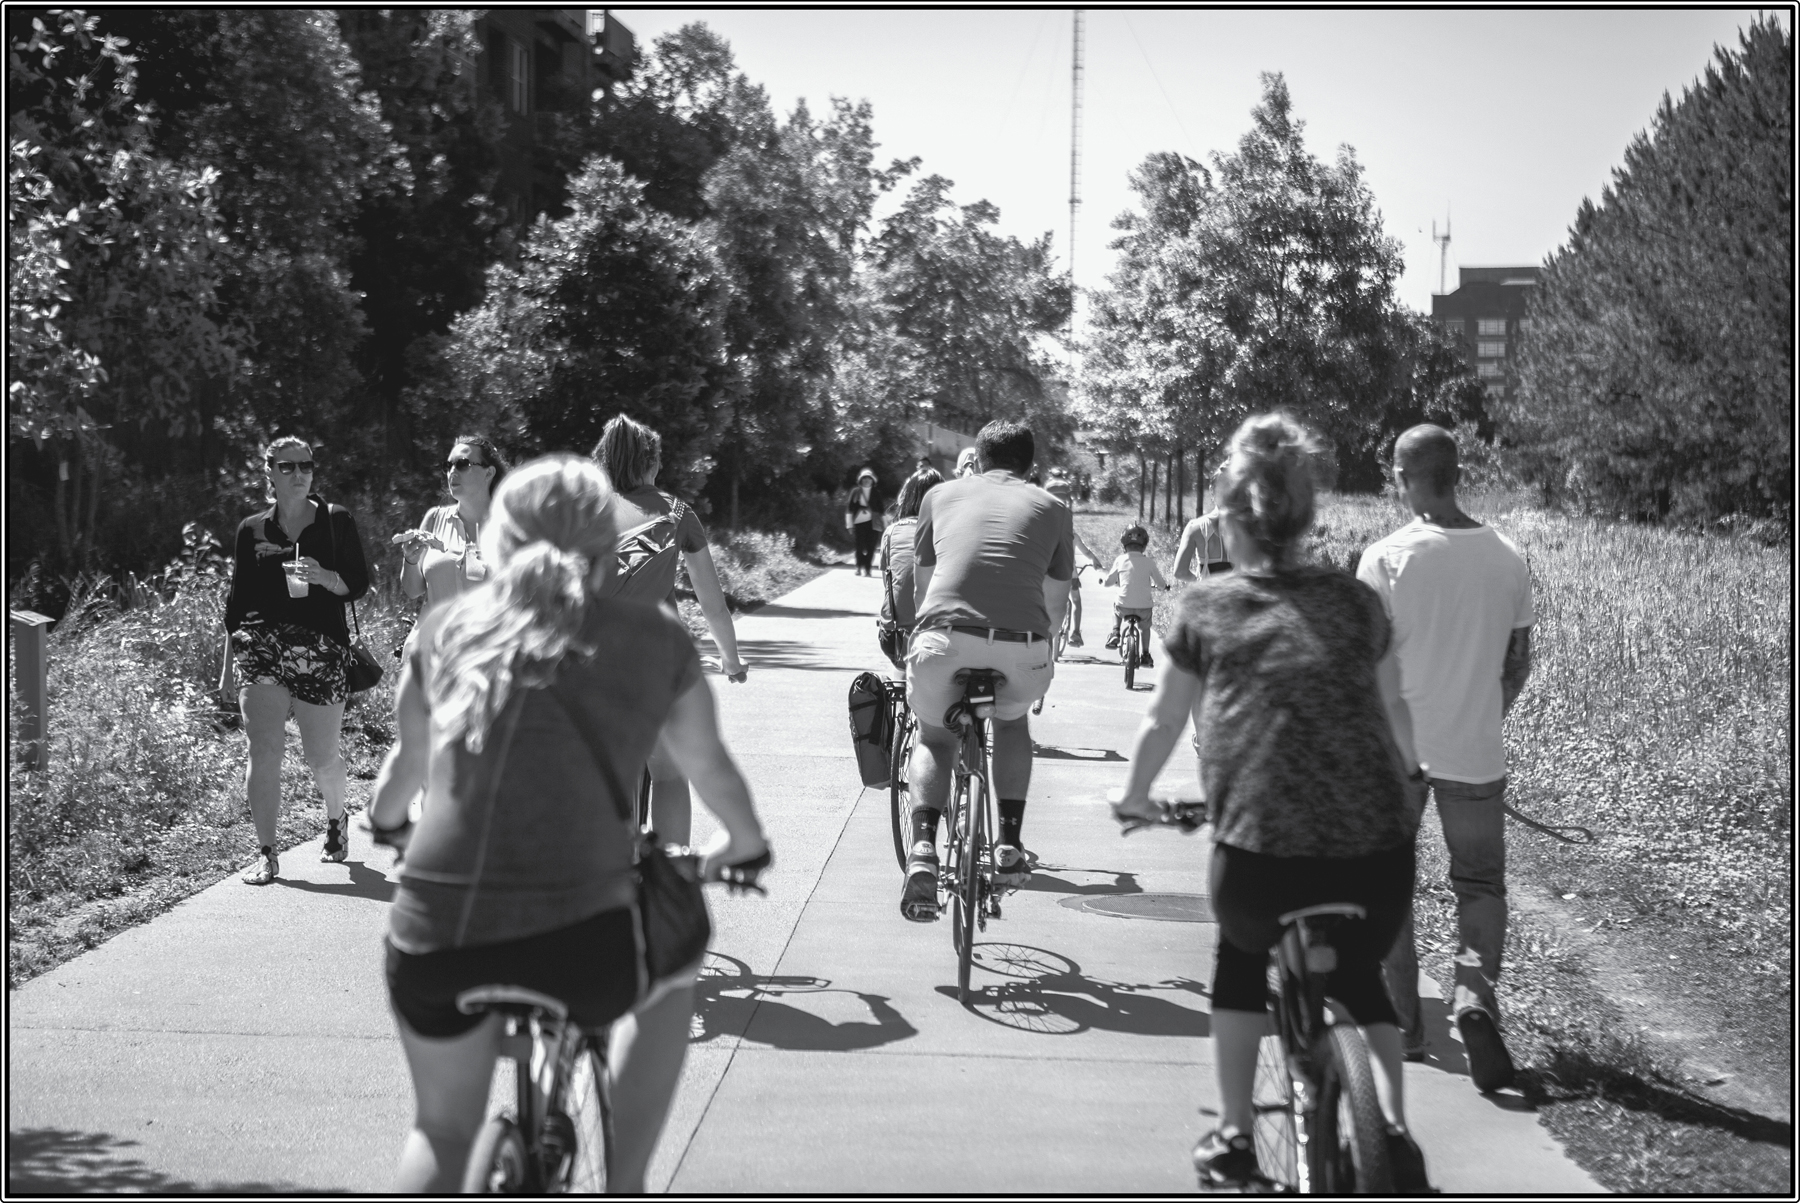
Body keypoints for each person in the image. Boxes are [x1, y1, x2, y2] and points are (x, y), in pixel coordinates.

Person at [364, 454, 769, 1194]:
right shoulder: (655, 639)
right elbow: (709, 769)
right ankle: (626, 1182)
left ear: (497, 543)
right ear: (607, 545)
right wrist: (741, 846)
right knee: (678, 960)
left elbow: (403, 771)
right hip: (586, 938)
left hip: (436, 933)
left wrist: (387, 824)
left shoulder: (446, 628)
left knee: (441, 1129)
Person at [1110, 412, 1430, 1193]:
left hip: (1260, 861)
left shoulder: (1206, 606)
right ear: (1307, 513)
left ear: (1228, 515)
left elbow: (1163, 720)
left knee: (1239, 961)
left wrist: (1135, 795)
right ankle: (1391, 1128)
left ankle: (1233, 1137)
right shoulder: (1358, 603)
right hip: (1376, 859)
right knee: (1359, 979)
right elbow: (1396, 717)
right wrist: (1408, 773)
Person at [1360, 424, 1534, 1092]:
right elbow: (1516, 665)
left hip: (1397, 752)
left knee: (1388, 883)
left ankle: (1405, 1024)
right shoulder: (1508, 556)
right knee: (1480, 884)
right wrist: (1478, 719)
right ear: (1455, 473)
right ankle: (1471, 996)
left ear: (1405, 476)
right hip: (1476, 752)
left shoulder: (1384, 558)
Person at [899, 420, 1074, 920]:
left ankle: (925, 850)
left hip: (943, 638)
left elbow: (924, 588)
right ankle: (1009, 845)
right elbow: (1057, 602)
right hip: (1022, 645)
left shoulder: (939, 496)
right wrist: (1044, 653)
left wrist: (920, 641)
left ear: (976, 457)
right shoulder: (1054, 507)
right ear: (1031, 467)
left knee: (935, 739)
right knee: (1013, 721)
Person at [593, 415, 748, 846]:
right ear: (652, 463)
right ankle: (670, 880)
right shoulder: (677, 513)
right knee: (669, 773)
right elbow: (712, 604)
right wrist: (731, 661)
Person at [223, 435, 370, 884]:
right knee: (262, 749)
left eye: (306, 465)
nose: (300, 473)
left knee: (320, 755)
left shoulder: (334, 521)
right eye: (288, 466)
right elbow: (237, 602)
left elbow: (357, 585)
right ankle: (267, 853)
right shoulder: (252, 529)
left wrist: (326, 577)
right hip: (262, 646)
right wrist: (228, 664)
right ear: (269, 471)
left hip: (320, 646)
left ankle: (336, 819)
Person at [392, 436, 508, 619]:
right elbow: (412, 590)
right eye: (448, 466)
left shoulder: (508, 526)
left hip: (487, 643)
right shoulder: (434, 519)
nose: (452, 471)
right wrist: (410, 560)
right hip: (434, 644)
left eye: (462, 464)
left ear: (489, 473)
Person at [877, 467, 942, 670]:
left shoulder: (891, 532)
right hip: (936, 637)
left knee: (903, 669)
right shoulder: (944, 531)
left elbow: (889, 586)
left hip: (893, 637)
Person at [1044, 466, 1103, 647]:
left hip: (1046, 573)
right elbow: (1085, 552)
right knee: (1076, 600)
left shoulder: (1045, 534)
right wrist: (1095, 561)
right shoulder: (1072, 536)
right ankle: (1075, 633)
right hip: (1070, 573)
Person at [1102, 525, 1170, 666]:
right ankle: (1145, 654)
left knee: (1116, 605)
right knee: (1145, 628)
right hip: (1143, 608)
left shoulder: (1120, 560)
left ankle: (1115, 633)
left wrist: (1108, 582)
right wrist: (1164, 587)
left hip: (1124, 606)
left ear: (1124, 546)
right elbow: (1160, 583)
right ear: (1144, 546)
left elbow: (1108, 582)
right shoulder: (1149, 562)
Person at [1172, 464, 1233, 583]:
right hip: (1236, 597)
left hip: (1207, 596)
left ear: (1212, 490)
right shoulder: (1248, 527)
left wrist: (1199, 581)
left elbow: (1180, 572)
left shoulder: (1195, 527)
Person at [846, 467, 881, 576]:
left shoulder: (876, 492)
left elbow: (881, 510)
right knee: (859, 546)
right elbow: (850, 509)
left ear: (872, 480)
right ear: (861, 480)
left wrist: (885, 525)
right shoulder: (855, 491)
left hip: (873, 523)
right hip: (859, 523)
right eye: (864, 478)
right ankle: (858, 566)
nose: (866, 480)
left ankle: (868, 568)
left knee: (871, 547)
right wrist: (849, 525)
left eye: (869, 478)